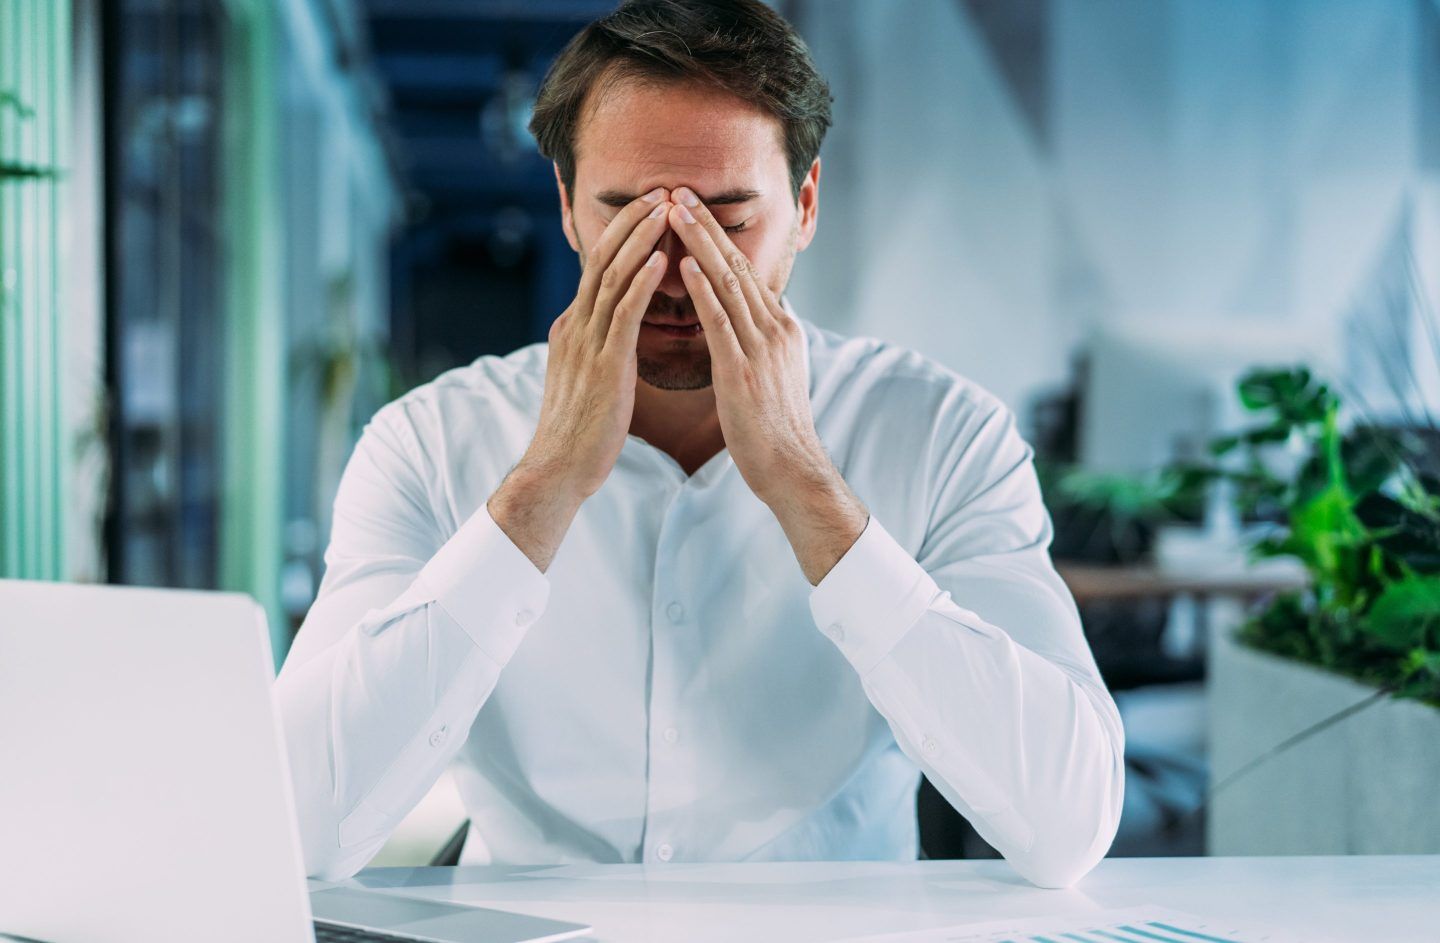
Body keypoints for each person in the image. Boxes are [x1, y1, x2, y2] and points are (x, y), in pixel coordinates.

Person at [276, 0, 1124, 890]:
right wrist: (544, 484)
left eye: (728, 220)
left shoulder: (945, 436)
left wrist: (807, 487)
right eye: (630, 217)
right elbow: (296, 828)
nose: (679, 271)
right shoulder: (426, 441)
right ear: (567, 208)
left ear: (804, 205)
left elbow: (1067, 826)